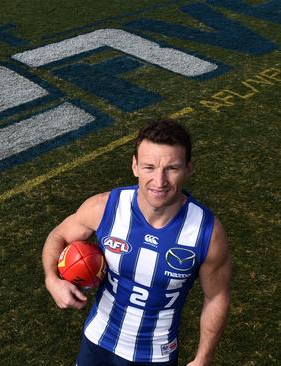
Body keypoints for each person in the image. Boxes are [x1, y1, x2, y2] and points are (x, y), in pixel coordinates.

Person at [42, 119, 231, 366]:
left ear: (188, 169)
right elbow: (59, 235)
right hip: (97, 341)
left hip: (155, 355)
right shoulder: (104, 207)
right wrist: (51, 279)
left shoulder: (207, 232)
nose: (159, 181)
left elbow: (217, 296)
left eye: (172, 168)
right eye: (149, 167)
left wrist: (203, 359)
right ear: (135, 166)